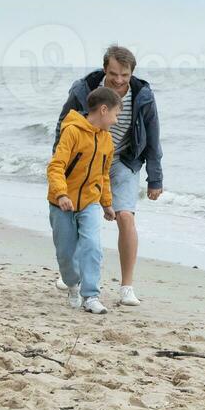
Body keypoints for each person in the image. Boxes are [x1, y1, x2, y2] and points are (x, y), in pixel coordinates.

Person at [54, 44, 163, 305]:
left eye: (124, 75)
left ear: (131, 73)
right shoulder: (84, 89)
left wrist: (155, 177)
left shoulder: (143, 95)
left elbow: (153, 136)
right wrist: (62, 166)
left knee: (125, 216)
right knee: (77, 217)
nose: (119, 80)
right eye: (114, 73)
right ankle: (73, 272)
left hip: (123, 160)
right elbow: (63, 125)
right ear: (105, 69)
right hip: (85, 160)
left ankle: (127, 287)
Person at [48, 86, 120, 315]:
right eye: (116, 114)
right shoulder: (72, 132)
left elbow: (103, 175)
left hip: (90, 202)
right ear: (104, 110)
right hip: (62, 203)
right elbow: (56, 166)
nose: (117, 120)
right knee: (66, 254)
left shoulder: (108, 141)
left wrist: (107, 203)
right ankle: (72, 285)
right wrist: (61, 194)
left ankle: (91, 296)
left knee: (92, 246)